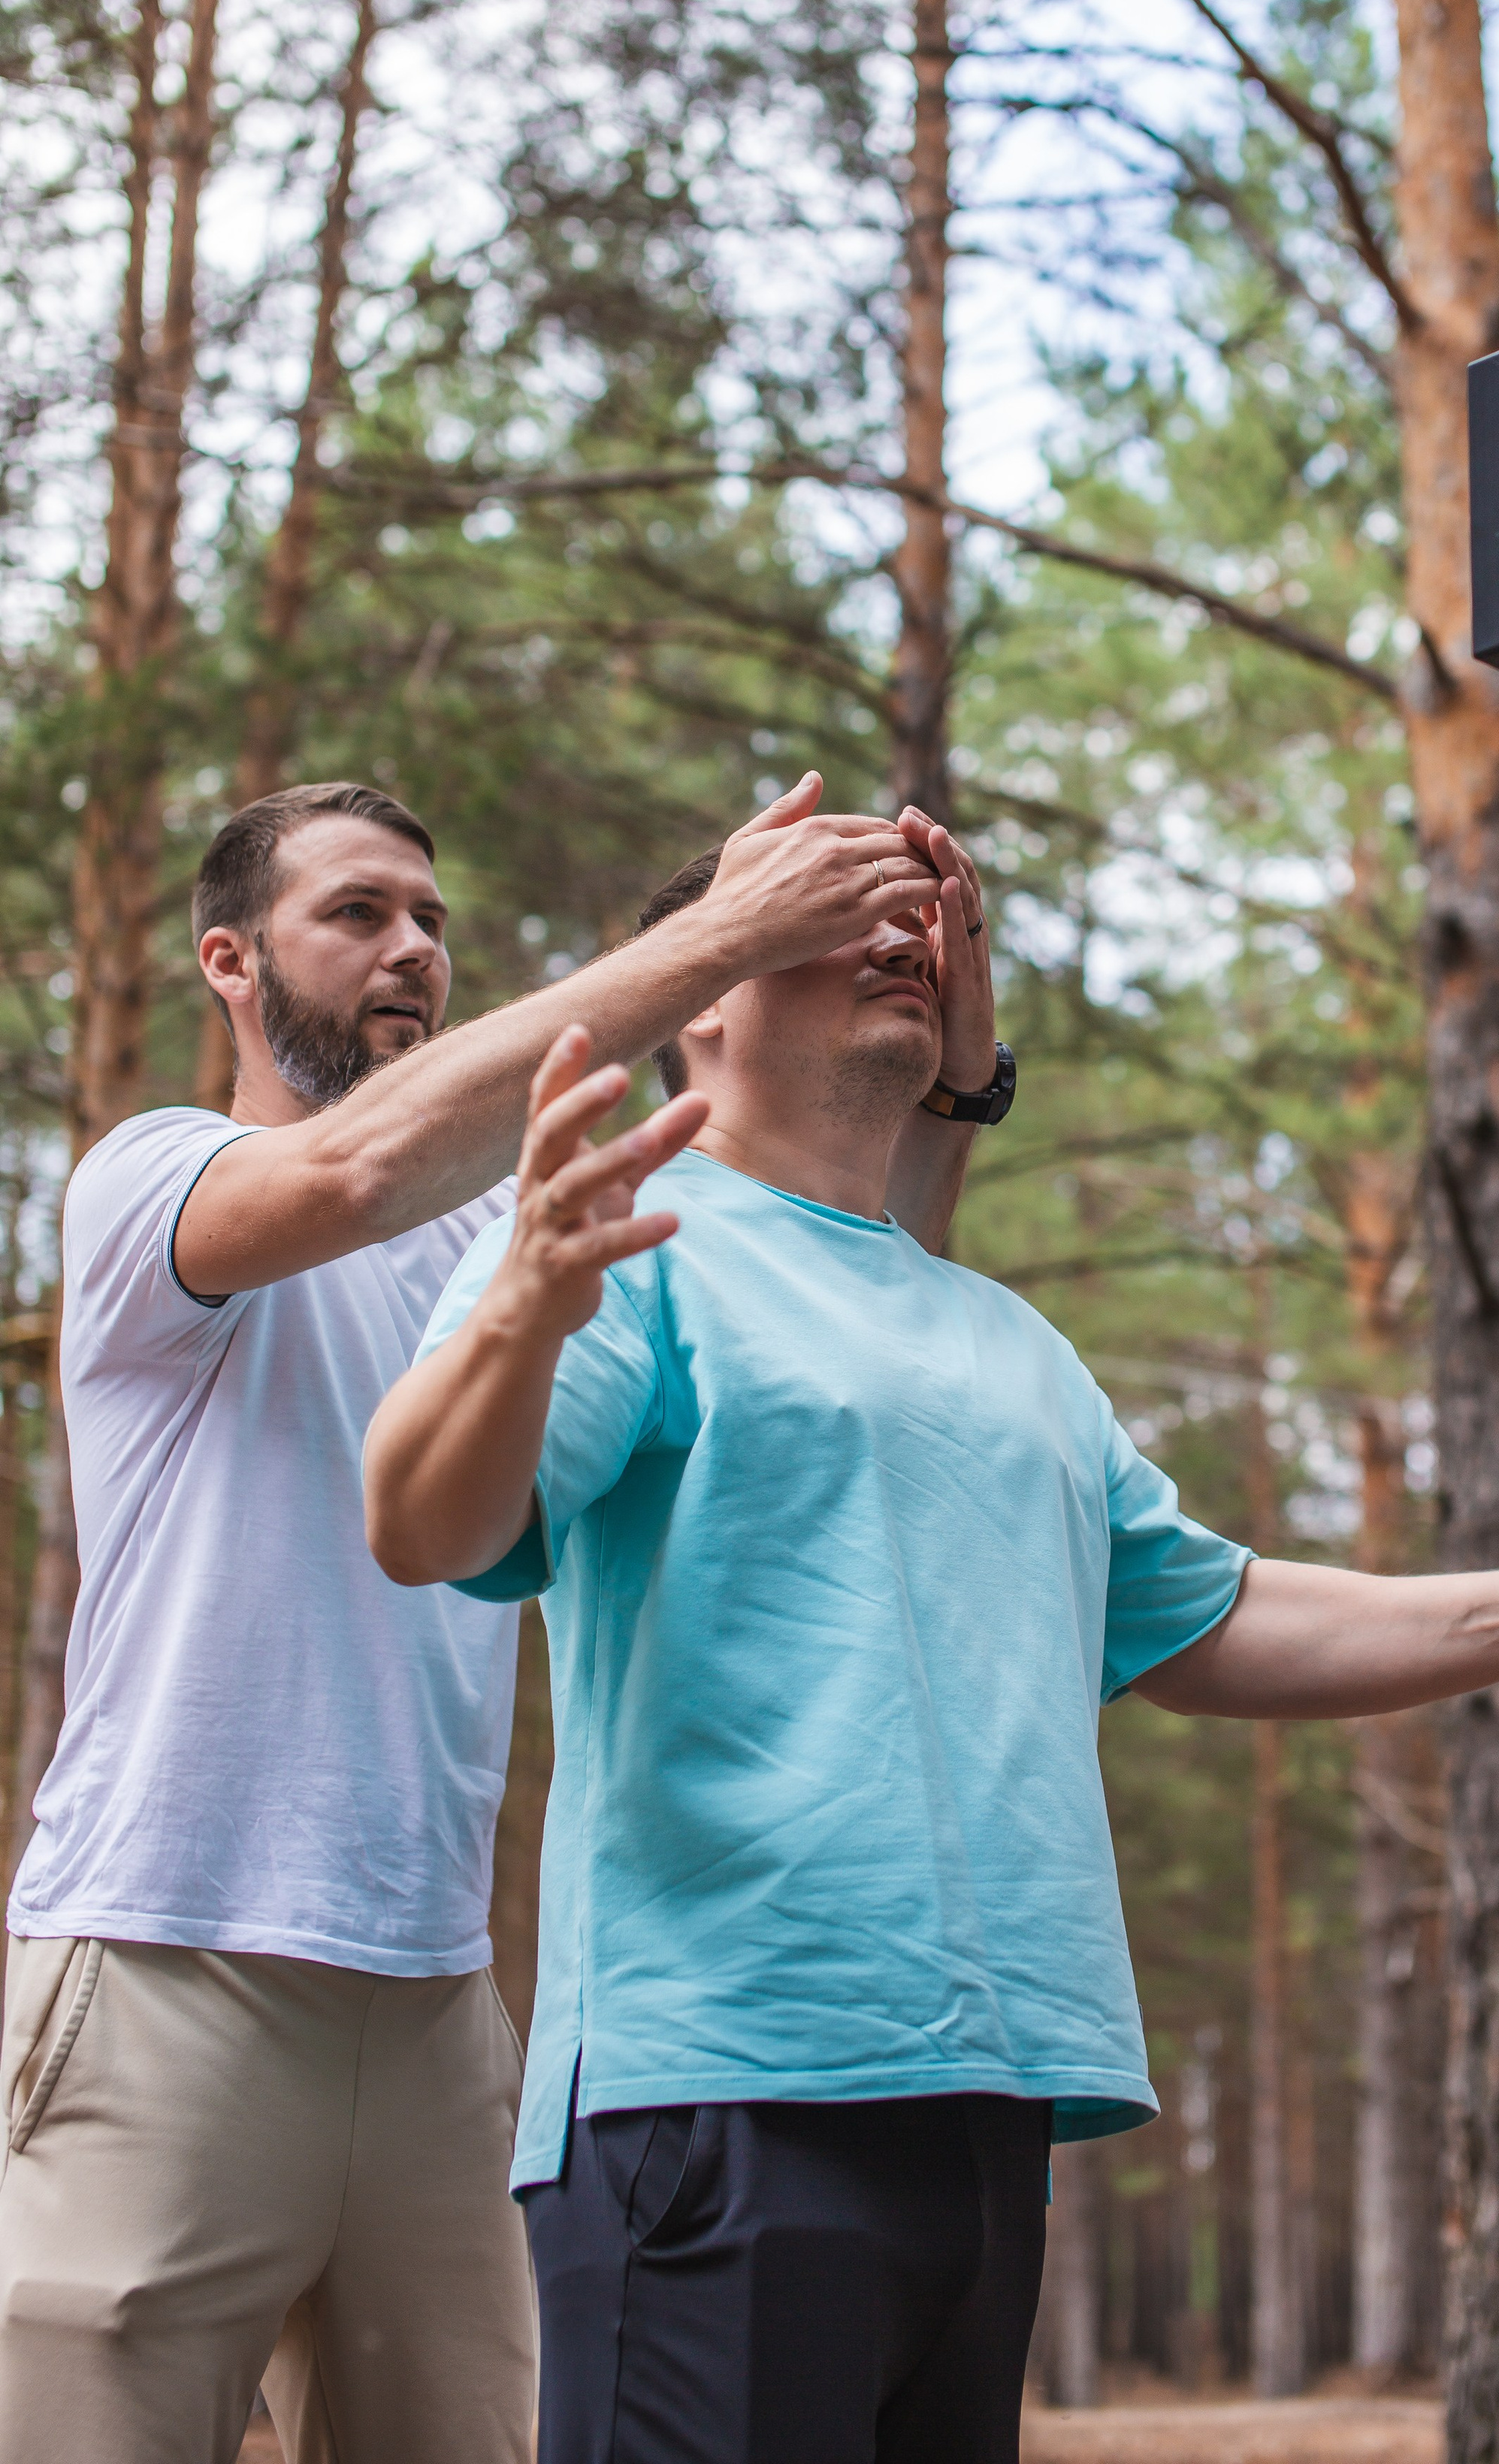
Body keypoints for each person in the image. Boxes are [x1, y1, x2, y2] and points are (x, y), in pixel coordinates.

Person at [364, 838, 1499, 2464]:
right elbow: (426, 1527)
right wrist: (514, 1316)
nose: (902, 941)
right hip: (718, 2097)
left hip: (995, 2110)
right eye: (830, 921)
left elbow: (1214, 1615)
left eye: (917, 922)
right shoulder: (624, 1250)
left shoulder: (1008, 1344)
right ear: (699, 999)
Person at [0, 772, 990, 2464]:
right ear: (229, 963)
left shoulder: (525, 1237)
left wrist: (951, 1053)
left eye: (434, 923)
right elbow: (357, 1166)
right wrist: (721, 934)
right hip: (168, 1960)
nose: (412, 951)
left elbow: (862, 1236)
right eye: (359, 914)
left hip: (447, 2010)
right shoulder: (153, 1181)